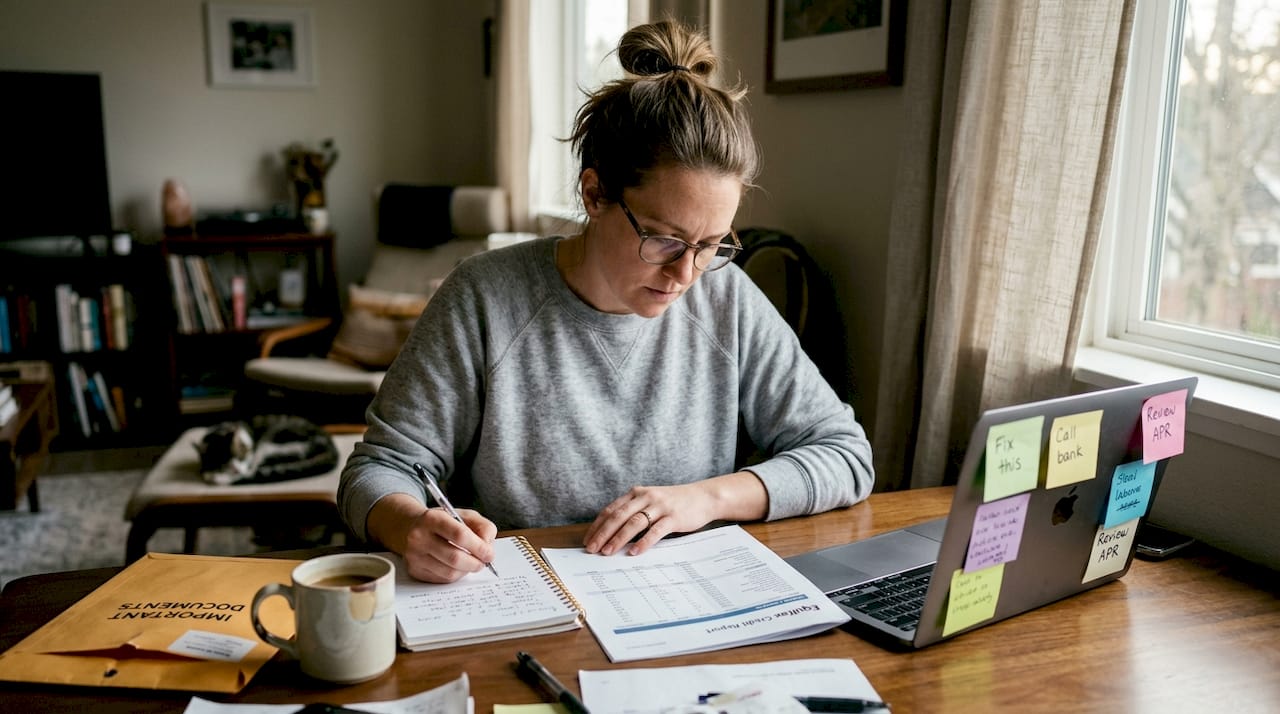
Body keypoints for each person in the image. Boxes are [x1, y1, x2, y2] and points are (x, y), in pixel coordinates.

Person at [337, 20, 874, 583]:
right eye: (664, 238)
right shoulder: (483, 298)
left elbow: (844, 455)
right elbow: (378, 470)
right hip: (520, 610)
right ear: (595, 194)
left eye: (712, 244)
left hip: (680, 610)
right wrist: (408, 526)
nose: (687, 273)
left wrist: (704, 499)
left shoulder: (726, 297)